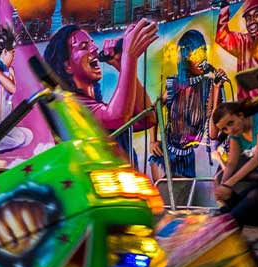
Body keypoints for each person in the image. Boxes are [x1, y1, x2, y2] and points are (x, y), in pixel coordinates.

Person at [42, 21, 157, 153]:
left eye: (92, 43)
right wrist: (129, 57)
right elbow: (116, 118)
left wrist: (121, 65)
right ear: (67, 65)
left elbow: (147, 119)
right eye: (84, 46)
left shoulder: (98, 107)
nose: (95, 48)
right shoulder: (70, 106)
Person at [151, 29, 227, 181]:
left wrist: (217, 88)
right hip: (165, 154)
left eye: (203, 52)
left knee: (183, 194)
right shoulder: (173, 84)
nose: (201, 59)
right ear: (185, 57)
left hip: (189, 158)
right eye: (196, 54)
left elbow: (213, 134)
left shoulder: (209, 86)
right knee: (164, 191)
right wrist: (153, 141)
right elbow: (155, 108)